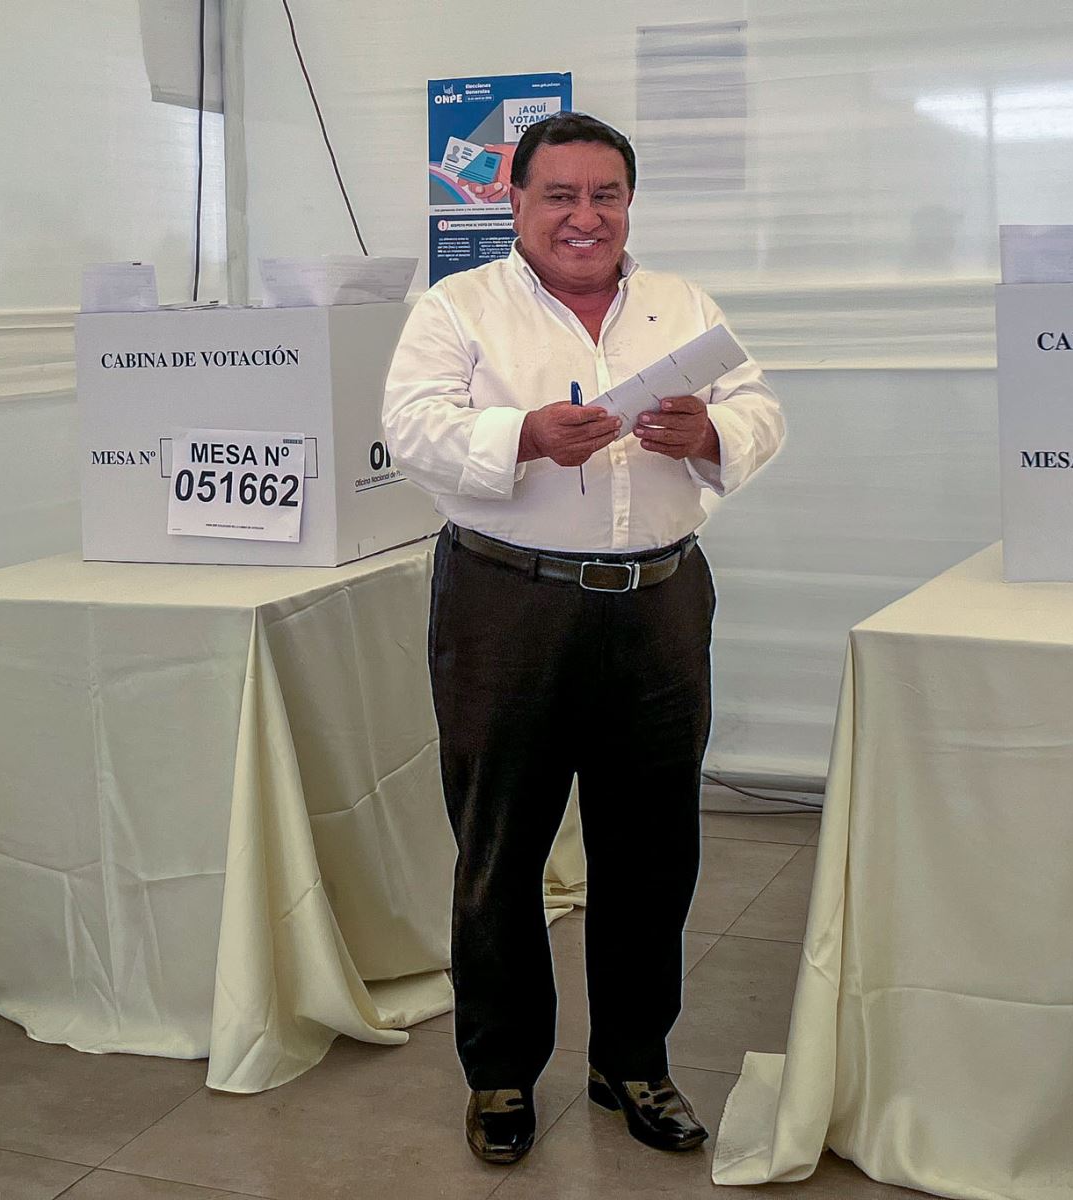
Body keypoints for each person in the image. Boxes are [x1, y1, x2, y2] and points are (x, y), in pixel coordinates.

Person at [382, 111, 785, 1165]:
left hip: (659, 603)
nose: (584, 216)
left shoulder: (681, 305)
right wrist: (519, 435)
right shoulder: (458, 307)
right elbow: (411, 424)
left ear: (628, 203)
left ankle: (633, 1062)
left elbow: (760, 406)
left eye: (605, 195)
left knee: (653, 850)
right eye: (559, 195)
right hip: (506, 603)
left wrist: (715, 431)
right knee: (501, 848)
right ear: (514, 202)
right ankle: (502, 1073)